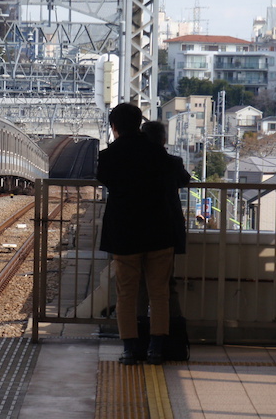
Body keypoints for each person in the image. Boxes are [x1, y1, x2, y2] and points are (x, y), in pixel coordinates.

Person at [97, 104, 176, 365]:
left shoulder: (109, 156)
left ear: (115, 128)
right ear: (139, 123)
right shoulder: (158, 153)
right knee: (159, 293)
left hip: (125, 233)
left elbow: (106, 180)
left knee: (126, 294)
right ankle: (156, 348)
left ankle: (130, 348)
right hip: (159, 231)